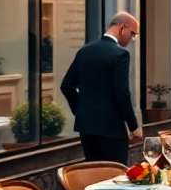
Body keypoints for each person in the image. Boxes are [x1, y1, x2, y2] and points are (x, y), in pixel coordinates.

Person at [59, 12, 143, 165]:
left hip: (87, 128)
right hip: (111, 129)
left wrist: (81, 110)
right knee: (114, 176)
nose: (132, 39)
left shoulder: (85, 50)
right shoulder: (119, 54)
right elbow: (122, 93)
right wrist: (133, 126)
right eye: (133, 34)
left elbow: (66, 85)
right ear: (122, 28)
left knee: (94, 175)